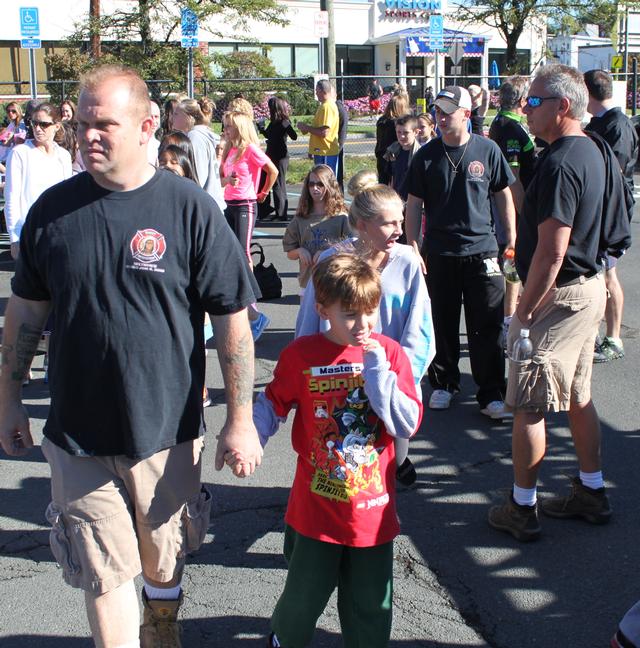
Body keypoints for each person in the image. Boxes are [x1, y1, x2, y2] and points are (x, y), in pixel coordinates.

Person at [0, 64, 263, 648]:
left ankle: (162, 616)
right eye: (82, 123)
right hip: (78, 435)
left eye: (105, 125)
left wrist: (240, 420)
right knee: (103, 572)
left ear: (147, 127)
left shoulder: (191, 210)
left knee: (162, 557)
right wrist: (9, 400)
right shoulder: (52, 213)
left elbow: (233, 325)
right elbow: (24, 317)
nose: (88, 135)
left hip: (165, 432)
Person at [255, 253, 423, 648]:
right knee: (304, 595)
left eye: (369, 312)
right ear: (322, 309)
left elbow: (406, 423)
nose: (362, 324)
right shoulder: (301, 355)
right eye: (349, 314)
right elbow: (272, 403)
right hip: (315, 509)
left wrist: (378, 373)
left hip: (372, 510)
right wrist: (250, 440)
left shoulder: (389, 354)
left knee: (371, 603)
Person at [488, 64, 610, 542]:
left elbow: (552, 251)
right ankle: (592, 491)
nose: (525, 108)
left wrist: (522, 314)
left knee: (528, 405)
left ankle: (522, 507)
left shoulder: (561, 161)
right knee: (578, 396)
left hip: (560, 296)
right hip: (589, 288)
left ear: (562, 107)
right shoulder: (593, 149)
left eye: (533, 101)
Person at [296, 182, 435, 486]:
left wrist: (404, 378)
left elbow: (420, 329)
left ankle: (393, 473)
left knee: (387, 462)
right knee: (343, 465)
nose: (399, 230)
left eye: (401, 221)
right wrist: (303, 371)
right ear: (362, 225)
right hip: (338, 377)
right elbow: (309, 321)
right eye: (389, 223)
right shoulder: (331, 261)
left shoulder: (408, 262)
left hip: (388, 376)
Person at [405, 86, 516, 419]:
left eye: (448, 111)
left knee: (487, 324)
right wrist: (413, 244)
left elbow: (503, 195)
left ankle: (491, 392)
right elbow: (414, 204)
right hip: (439, 251)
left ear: (466, 114)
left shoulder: (488, 149)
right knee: (442, 320)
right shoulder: (426, 155)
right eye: (438, 111)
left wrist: (510, 238)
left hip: (482, 250)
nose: (440, 117)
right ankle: (444, 383)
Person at [584, 69, 638, 363]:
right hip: (596, 210)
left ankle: (614, 338)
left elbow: (613, 172)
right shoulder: (597, 122)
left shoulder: (618, 124)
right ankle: (593, 334)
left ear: (587, 91)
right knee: (595, 273)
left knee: (608, 273)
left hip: (611, 211)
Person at [220, 109, 279, 341]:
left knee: (244, 251)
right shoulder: (228, 149)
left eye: (229, 126)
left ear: (240, 128)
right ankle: (242, 299)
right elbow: (222, 177)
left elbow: (271, 170)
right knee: (229, 250)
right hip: (229, 202)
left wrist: (262, 191)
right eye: (224, 125)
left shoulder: (250, 150)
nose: (225, 130)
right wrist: (227, 180)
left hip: (246, 203)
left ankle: (252, 301)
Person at [488, 75, 536, 335]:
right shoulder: (511, 128)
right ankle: (508, 319)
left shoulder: (500, 122)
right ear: (521, 99)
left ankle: (509, 315)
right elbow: (513, 177)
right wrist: (525, 212)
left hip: (507, 203)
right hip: (515, 206)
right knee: (513, 259)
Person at [4, 103, 73, 260]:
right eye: (34, 123)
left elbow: (68, 198)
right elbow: (12, 199)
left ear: (56, 126)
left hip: (58, 233)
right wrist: (15, 239)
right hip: (30, 233)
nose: (38, 128)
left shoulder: (63, 156)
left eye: (44, 124)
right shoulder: (20, 153)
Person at [282, 164, 349, 288]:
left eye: (320, 184)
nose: (315, 188)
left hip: (334, 283)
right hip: (307, 283)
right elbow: (290, 253)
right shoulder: (300, 219)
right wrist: (300, 251)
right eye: (311, 184)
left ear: (330, 186)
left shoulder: (341, 218)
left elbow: (351, 248)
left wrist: (328, 252)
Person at [172, 97, 226, 213]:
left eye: (176, 114)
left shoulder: (195, 137)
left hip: (205, 209)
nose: (172, 117)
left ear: (188, 117)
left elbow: (198, 177)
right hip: (207, 207)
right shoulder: (196, 135)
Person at [256, 96, 297, 221]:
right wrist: (262, 129)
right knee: (263, 181)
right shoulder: (273, 121)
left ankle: (281, 214)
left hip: (280, 156)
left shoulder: (284, 121)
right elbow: (270, 135)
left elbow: (294, 136)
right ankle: (265, 209)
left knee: (278, 184)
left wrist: (287, 126)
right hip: (270, 155)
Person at [297, 79, 340, 175]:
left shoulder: (327, 107)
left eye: (317, 90)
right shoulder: (323, 106)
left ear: (322, 91)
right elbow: (318, 128)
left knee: (325, 181)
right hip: (320, 151)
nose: (315, 93)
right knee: (322, 181)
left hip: (325, 152)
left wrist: (306, 127)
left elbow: (324, 132)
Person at [383, 114, 421, 202]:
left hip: (412, 201)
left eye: (406, 132)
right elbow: (392, 176)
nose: (402, 136)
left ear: (416, 132)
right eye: (398, 132)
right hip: (396, 199)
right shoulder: (393, 150)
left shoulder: (420, 154)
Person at [375, 94, 410, 184]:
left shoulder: (381, 121)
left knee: (383, 182)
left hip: (381, 154)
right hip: (393, 155)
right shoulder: (397, 124)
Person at [0, 102, 27, 170]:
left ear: (18, 111)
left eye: (13, 111)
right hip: (6, 157)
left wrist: (11, 138)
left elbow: (21, 140)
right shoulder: (12, 124)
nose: (10, 113)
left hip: (12, 158)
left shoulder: (22, 124)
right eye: (8, 111)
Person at [335, 89, 349, 193]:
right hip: (333, 147)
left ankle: (339, 199)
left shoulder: (339, 109)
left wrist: (339, 147)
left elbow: (343, 131)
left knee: (337, 176)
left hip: (336, 148)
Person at [147, 99, 161, 165]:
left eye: (156, 117)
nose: (154, 121)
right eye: (151, 116)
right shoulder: (135, 144)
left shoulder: (159, 145)